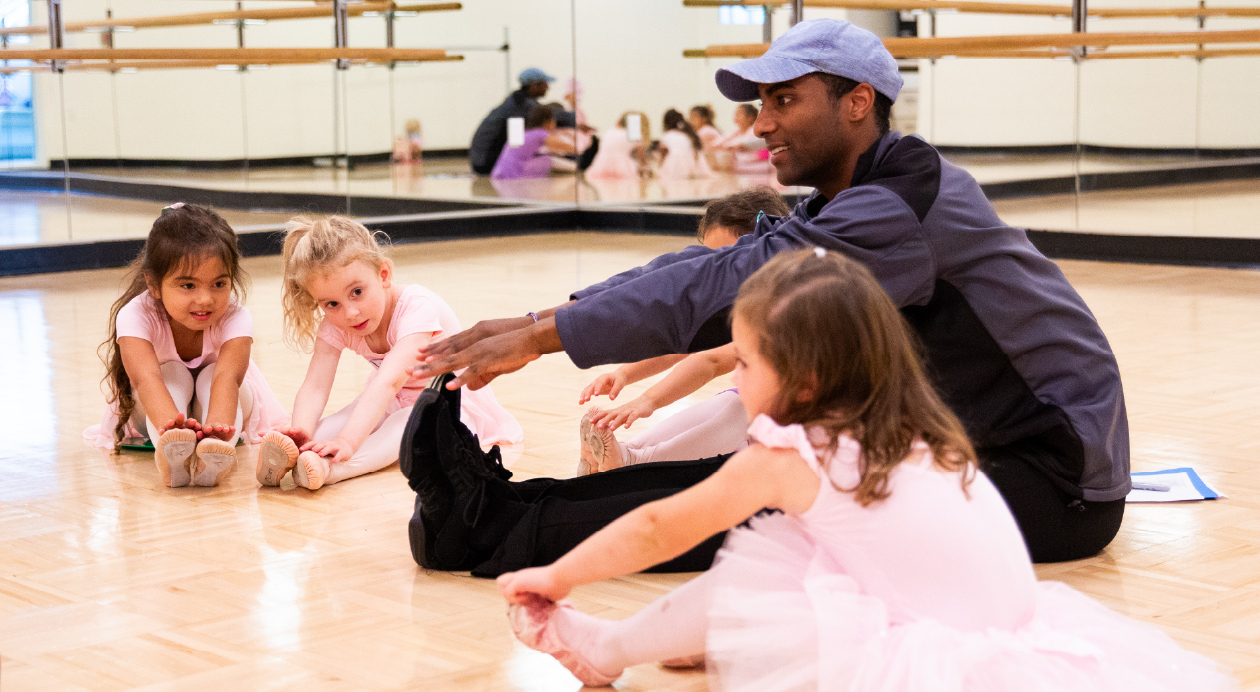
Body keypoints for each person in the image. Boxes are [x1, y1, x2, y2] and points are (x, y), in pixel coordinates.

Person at [404, 18, 1130, 575]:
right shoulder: (853, 194)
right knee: (753, 480)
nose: (762, 123)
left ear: (858, 103)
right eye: (761, 103)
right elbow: (707, 263)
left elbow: (728, 288)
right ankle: (505, 511)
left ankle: (494, 528)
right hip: (961, 440)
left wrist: (541, 336)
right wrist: (542, 319)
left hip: (1054, 478)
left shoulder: (898, 206)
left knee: (769, 504)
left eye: (784, 100)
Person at [498, 249, 1236, 692]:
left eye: (745, 364)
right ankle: (656, 640)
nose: (736, 376)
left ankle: (607, 647)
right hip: (1020, 631)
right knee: (786, 559)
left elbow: (660, 525)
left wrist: (554, 576)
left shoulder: (791, 457)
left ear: (807, 379)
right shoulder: (912, 423)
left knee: (766, 570)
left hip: (938, 670)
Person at [254, 216, 522, 490]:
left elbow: (389, 381)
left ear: (383, 274)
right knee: (327, 428)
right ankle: (296, 454)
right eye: (331, 303)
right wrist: (301, 432)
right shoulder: (338, 322)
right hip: (391, 399)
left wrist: (347, 442)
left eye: (357, 292)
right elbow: (315, 386)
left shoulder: (417, 307)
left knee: (404, 426)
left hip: (446, 404)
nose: (350, 312)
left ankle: (334, 469)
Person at [577, 187, 793, 475]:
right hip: (757, 403)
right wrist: (625, 374)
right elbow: (684, 344)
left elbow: (710, 361)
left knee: (741, 409)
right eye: (709, 261)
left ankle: (630, 463)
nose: (716, 272)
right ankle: (623, 454)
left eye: (727, 259)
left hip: (807, 418)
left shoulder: (793, 302)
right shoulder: (739, 296)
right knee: (727, 403)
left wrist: (647, 400)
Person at [84, 203, 289, 488]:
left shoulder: (236, 316)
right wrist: (175, 430)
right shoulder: (135, 315)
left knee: (213, 373)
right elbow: (146, 380)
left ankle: (215, 457)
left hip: (223, 407)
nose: (205, 299)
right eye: (188, 286)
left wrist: (216, 434)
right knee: (172, 374)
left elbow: (227, 379)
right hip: (157, 411)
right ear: (154, 285)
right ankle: (172, 454)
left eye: (219, 284)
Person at [469, 67, 559, 176]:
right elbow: (516, 142)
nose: (548, 87)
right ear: (534, 85)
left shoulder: (516, 102)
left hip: (481, 161)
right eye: (545, 84)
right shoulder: (519, 107)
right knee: (548, 162)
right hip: (486, 164)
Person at [489, 105, 573, 180]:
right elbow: (571, 148)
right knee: (547, 160)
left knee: (545, 159)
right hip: (513, 179)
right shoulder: (540, 134)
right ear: (549, 122)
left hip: (498, 176)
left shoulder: (524, 133)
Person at [584, 111, 649, 180]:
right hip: (621, 168)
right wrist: (647, 169)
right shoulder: (634, 136)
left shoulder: (609, 132)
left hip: (600, 166)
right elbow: (641, 159)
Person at [712, 103, 770, 173]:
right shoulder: (735, 132)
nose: (735, 116)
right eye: (735, 113)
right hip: (739, 167)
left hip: (754, 167)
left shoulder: (755, 132)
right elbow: (717, 143)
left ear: (750, 117)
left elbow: (740, 145)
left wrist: (727, 146)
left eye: (739, 114)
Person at [656, 108, 711, 180]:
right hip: (689, 165)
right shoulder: (688, 135)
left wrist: (660, 167)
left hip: (674, 165)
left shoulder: (667, 135)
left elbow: (663, 153)